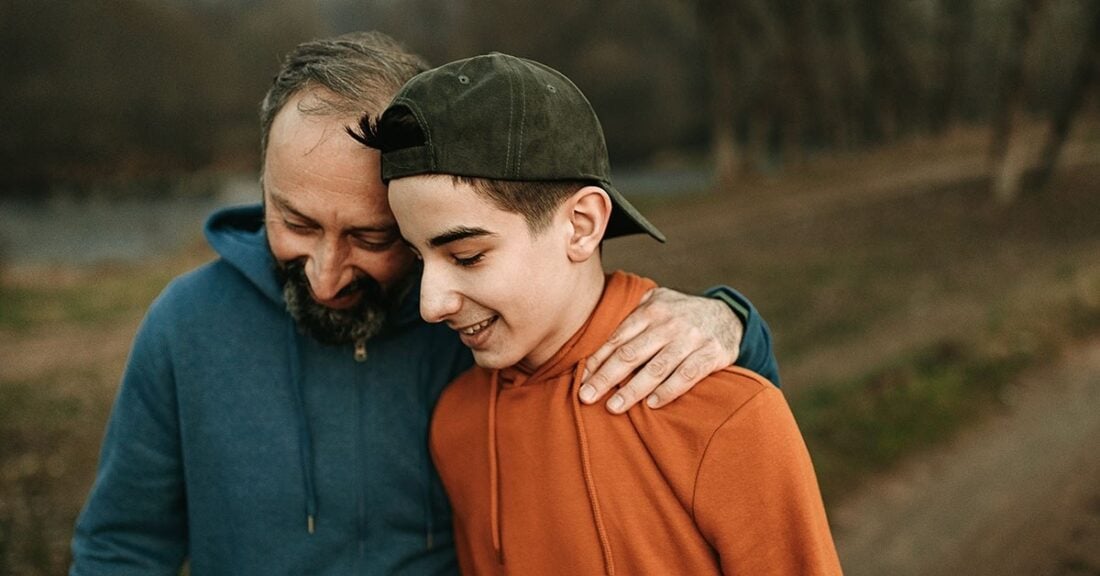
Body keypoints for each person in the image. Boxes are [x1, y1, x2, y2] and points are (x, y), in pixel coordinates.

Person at [69, 33, 778, 575]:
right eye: (295, 222)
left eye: (370, 237)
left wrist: (732, 322)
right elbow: (123, 545)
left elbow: (603, 345)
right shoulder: (185, 326)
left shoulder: (476, 328)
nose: (323, 275)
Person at [358, 52, 841, 574]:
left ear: (582, 225)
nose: (431, 304)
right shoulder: (456, 425)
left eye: (467, 256)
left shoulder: (725, 415)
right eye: (416, 257)